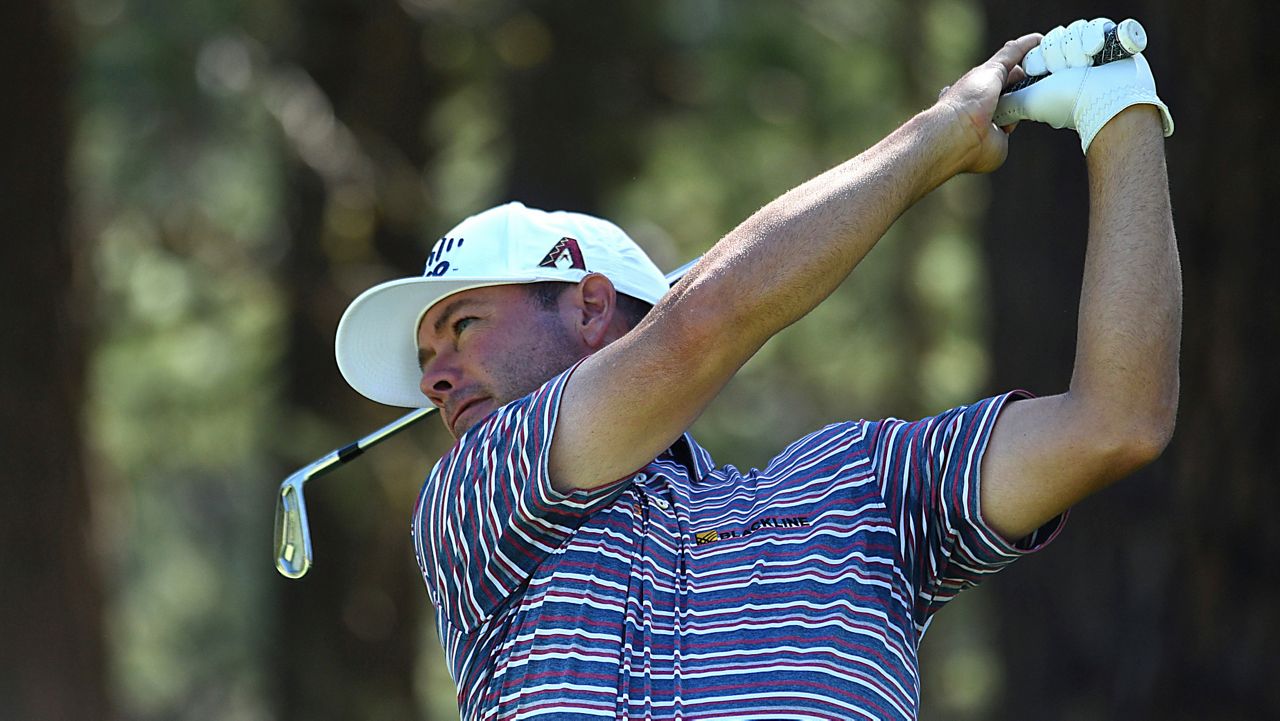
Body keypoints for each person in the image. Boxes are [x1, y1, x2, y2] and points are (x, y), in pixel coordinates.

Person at [332, 17, 1179, 720]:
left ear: (591, 309)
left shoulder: (859, 491)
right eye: (425, 359)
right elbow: (697, 330)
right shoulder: (474, 500)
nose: (435, 378)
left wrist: (1119, 110)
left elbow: (1115, 420)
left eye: (462, 326)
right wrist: (940, 137)